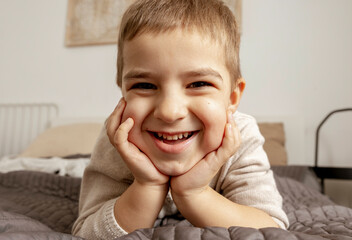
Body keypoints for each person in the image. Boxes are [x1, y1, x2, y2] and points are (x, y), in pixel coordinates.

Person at [72, 0, 289, 238]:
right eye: (144, 85)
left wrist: (194, 193)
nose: (169, 111)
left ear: (232, 97)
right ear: (122, 92)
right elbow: (86, 233)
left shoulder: (241, 135)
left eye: (199, 84)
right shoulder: (119, 139)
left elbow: (271, 230)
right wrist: (147, 185)